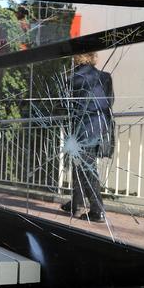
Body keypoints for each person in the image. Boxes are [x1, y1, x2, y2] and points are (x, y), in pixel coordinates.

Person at [60, 52, 114, 223]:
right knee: (82, 164)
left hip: (83, 127)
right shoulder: (105, 76)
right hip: (102, 125)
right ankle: (76, 203)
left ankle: (97, 211)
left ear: (77, 58)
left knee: (87, 167)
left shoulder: (71, 78)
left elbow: (65, 106)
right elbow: (110, 101)